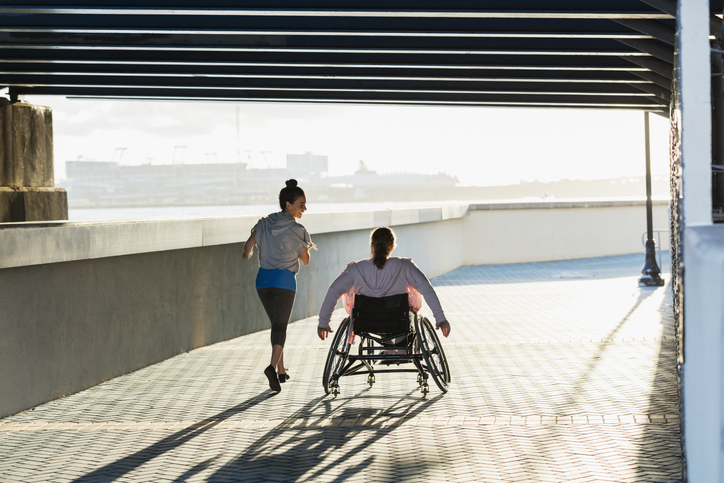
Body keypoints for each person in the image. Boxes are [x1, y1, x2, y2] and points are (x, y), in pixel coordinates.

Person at [317, 226, 450, 342]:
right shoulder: (404, 266)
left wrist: (323, 322)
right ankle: (398, 347)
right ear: (392, 248)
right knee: (412, 303)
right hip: (398, 320)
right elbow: (426, 289)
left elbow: (334, 291)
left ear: (372, 246)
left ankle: (389, 347)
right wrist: (440, 319)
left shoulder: (355, 270)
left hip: (365, 322)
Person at [243, 179, 315, 392]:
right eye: (301, 204)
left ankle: (282, 371)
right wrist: (302, 246)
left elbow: (247, 247)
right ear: (288, 204)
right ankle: (271, 368)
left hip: (263, 281)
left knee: (276, 324)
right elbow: (305, 260)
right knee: (281, 326)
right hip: (284, 281)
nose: (304, 208)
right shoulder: (297, 230)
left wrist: (248, 254)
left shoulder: (263, 223)